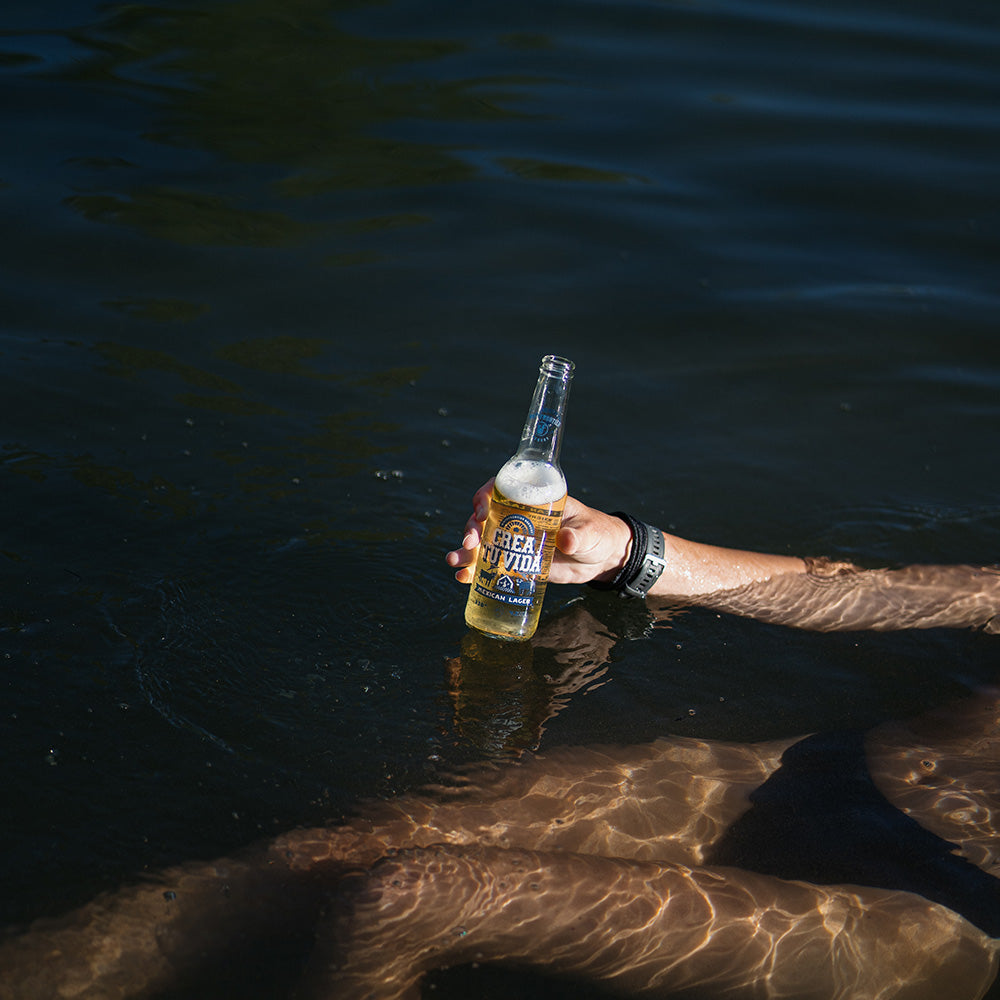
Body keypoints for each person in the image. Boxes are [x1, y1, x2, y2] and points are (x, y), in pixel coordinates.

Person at [3, 487, 1000, 1000]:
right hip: (797, 779)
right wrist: (631, 552)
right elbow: (878, 588)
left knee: (410, 893)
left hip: (923, 917)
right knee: (322, 856)